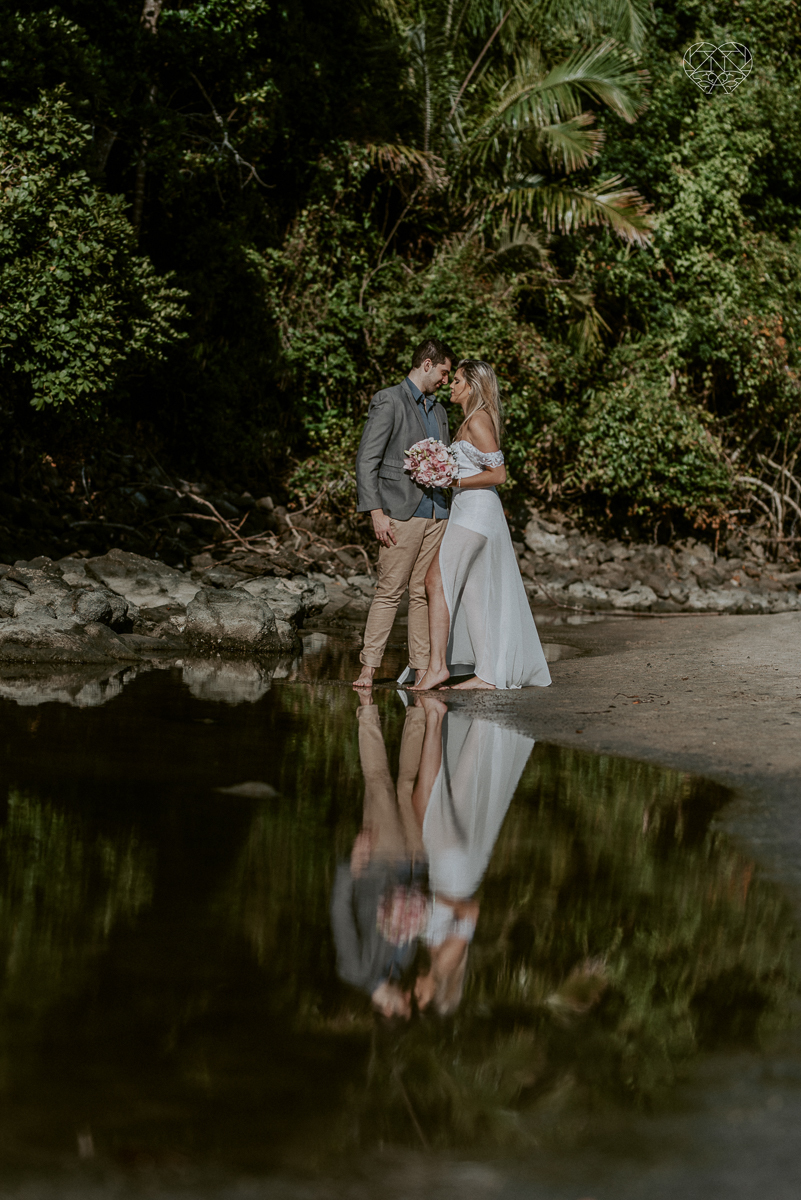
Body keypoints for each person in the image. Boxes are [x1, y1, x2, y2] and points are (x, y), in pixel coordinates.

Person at [411, 360, 552, 691]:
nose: (451, 384)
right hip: (468, 511)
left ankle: (436, 668)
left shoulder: (477, 421)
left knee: (435, 580)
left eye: (457, 380)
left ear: (471, 386)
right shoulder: (471, 420)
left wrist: (452, 479)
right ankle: (488, 674)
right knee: (473, 591)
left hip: (477, 512)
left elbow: (498, 475)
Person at [411, 696, 536, 1016]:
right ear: (434, 993)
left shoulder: (436, 957)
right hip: (453, 874)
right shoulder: (447, 960)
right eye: (420, 997)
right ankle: (438, 716)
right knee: (427, 800)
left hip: (453, 869)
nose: (415, 991)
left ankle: (474, 722)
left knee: (450, 792)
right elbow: (471, 913)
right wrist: (435, 903)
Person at [353, 337, 455, 689]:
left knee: (422, 591)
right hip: (399, 512)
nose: (446, 380)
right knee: (389, 590)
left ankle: (422, 669)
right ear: (427, 364)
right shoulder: (389, 400)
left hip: (437, 512)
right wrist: (375, 513)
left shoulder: (440, 411)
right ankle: (368, 668)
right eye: (443, 372)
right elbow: (367, 459)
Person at [329, 689, 429, 1019]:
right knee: (408, 786)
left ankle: (367, 708)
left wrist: (352, 866)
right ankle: (419, 709)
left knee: (379, 782)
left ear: (389, 1011)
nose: (408, 1001)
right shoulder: (404, 966)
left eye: (405, 1007)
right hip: (413, 862)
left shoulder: (357, 972)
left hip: (379, 862)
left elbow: (341, 914)